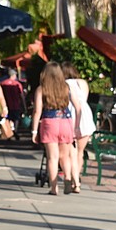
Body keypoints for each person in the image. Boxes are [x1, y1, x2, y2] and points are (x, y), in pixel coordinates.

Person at [30, 62, 81, 195]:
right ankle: (68, 178)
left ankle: (54, 187)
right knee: (65, 156)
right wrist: (76, 126)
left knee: (52, 157)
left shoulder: (41, 89)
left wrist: (34, 130)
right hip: (65, 121)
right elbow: (78, 107)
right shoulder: (66, 88)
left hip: (49, 122)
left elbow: (37, 111)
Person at [62, 61, 96, 193]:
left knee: (71, 152)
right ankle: (77, 177)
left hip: (71, 115)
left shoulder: (65, 84)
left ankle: (71, 178)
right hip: (85, 114)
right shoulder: (83, 83)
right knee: (80, 152)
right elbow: (84, 100)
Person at [0, 67, 27, 137]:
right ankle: (15, 130)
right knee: (16, 119)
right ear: (13, 75)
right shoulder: (17, 84)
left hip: (6, 105)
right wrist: (24, 106)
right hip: (16, 105)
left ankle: (9, 133)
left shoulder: (3, 84)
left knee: (7, 119)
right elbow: (21, 96)